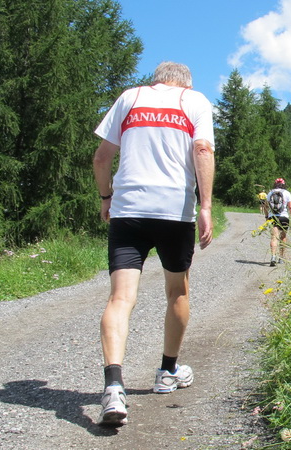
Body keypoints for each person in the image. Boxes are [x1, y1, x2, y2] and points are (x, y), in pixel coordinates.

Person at [92, 61, 215, 427]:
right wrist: (206, 206)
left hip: (128, 210)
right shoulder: (195, 101)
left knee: (120, 298)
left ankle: (114, 387)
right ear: (185, 84)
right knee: (177, 290)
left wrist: (106, 197)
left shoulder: (130, 98)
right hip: (174, 211)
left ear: (156, 81)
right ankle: (167, 372)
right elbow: (203, 150)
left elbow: (101, 157)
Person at [265, 178, 291, 266]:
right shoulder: (287, 193)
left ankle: (273, 256)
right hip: (284, 217)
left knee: (274, 237)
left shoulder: (270, 193)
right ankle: (281, 258)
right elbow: (290, 207)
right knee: (283, 237)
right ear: (283, 184)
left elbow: (266, 206)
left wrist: (267, 217)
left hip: (273, 217)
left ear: (275, 184)